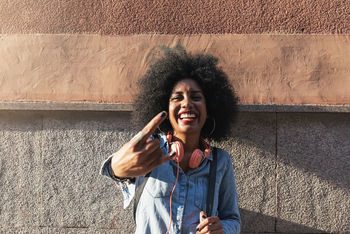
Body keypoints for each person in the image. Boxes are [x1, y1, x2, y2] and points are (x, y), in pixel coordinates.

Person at [100, 46, 241, 233]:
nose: (187, 103)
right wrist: (116, 169)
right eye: (177, 97)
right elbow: (115, 168)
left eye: (196, 97)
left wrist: (221, 228)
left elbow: (233, 220)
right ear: (163, 107)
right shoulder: (150, 148)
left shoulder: (221, 162)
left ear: (210, 109)